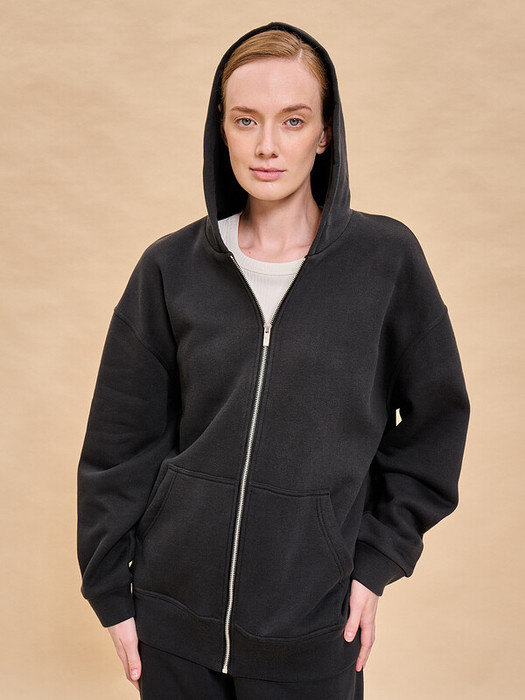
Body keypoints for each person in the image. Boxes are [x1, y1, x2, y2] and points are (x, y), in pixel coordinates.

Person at [77, 21, 470, 700]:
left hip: (312, 629)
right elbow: (119, 443)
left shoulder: (385, 263)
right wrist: (111, 592)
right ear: (221, 129)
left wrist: (378, 558)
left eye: (292, 121)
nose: (266, 146)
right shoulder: (170, 269)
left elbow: (437, 421)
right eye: (245, 120)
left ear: (323, 134)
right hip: (172, 629)